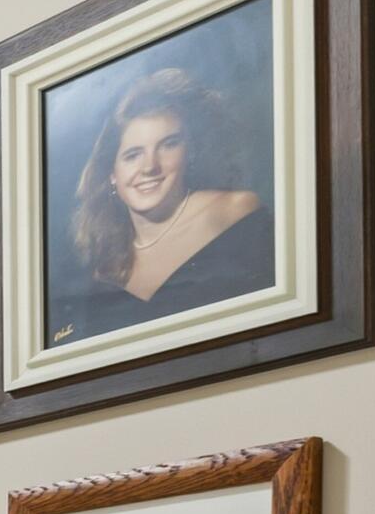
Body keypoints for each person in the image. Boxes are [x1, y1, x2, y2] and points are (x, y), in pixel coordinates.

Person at [62, 68, 271, 341]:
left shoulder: (234, 212)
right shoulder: (105, 269)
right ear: (112, 173)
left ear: (189, 153)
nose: (150, 166)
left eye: (168, 145)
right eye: (132, 155)